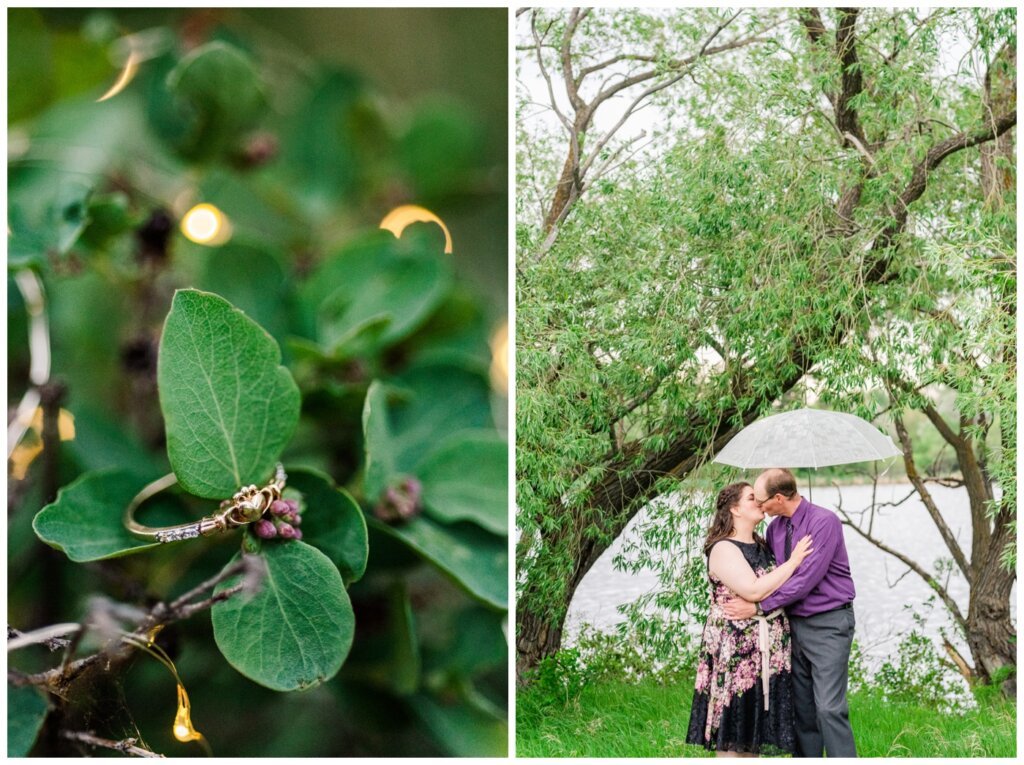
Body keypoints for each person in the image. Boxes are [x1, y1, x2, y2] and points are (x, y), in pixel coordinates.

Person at [723, 468, 857, 758]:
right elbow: (773, 576)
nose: (759, 506)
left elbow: (804, 581)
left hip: (829, 623)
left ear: (779, 498)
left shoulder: (824, 522)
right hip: (792, 625)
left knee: (829, 708)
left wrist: (759, 606)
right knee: (803, 710)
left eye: (761, 501)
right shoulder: (775, 528)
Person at [687, 481, 814, 757]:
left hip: (766, 650)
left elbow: (779, 591)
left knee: (751, 735)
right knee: (732, 732)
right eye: (751, 498)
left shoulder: (763, 544)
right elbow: (754, 589)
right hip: (736, 652)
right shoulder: (723, 548)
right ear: (734, 509)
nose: (759, 502)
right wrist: (793, 563)